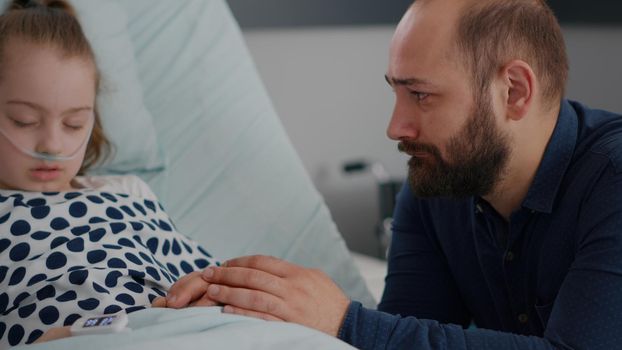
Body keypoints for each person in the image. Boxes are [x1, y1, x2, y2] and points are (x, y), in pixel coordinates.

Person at [162, 0, 622, 349]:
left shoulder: (612, 179)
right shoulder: (439, 184)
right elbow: (405, 332)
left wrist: (344, 321)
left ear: (514, 91)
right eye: (396, 92)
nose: (395, 127)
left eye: (420, 95)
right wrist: (250, 301)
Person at [0, 1, 219, 347]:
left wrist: (205, 296)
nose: (52, 144)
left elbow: (208, 278)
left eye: (73, 124)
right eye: (24, 121)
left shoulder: (128, 191)